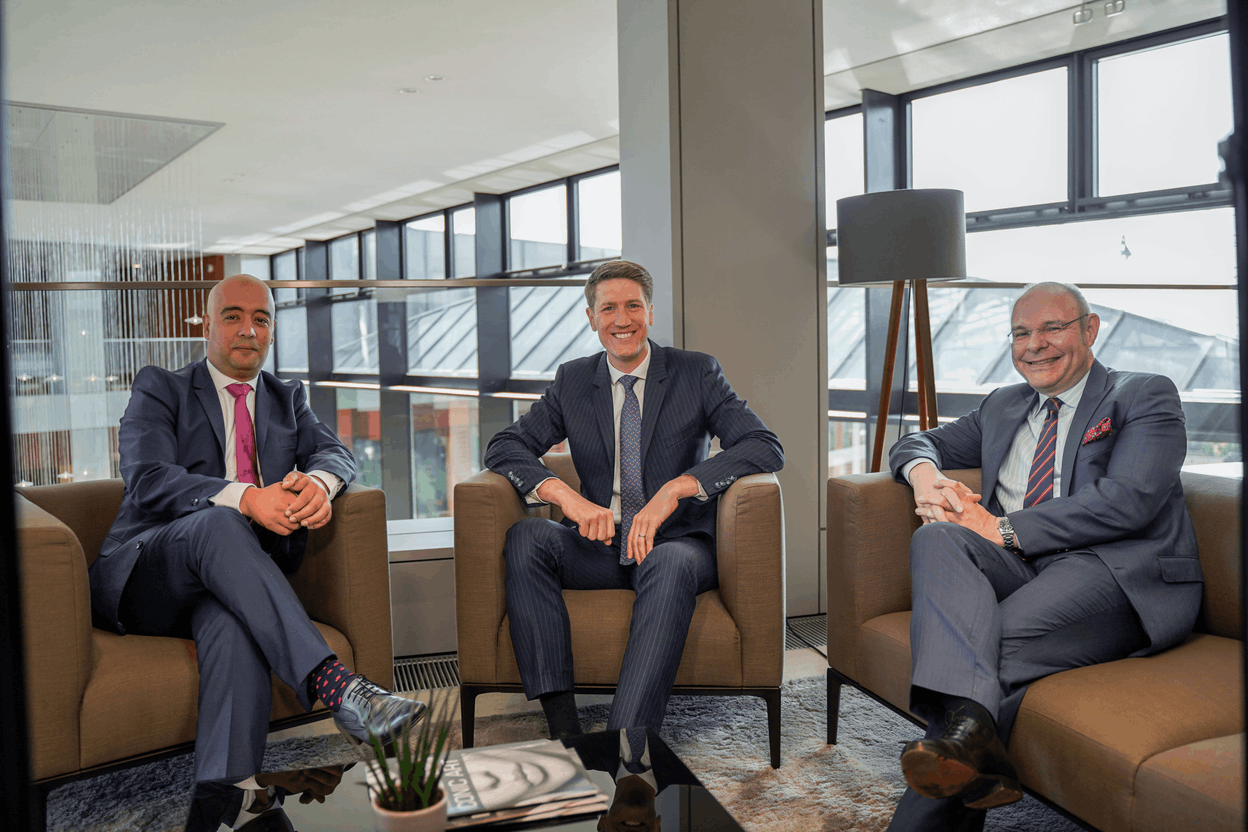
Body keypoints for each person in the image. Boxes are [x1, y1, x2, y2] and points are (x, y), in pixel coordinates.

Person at [91, 274, 425, 829]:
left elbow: (337, 454)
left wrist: (318, 484)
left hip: (229, 584)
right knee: (218, 521)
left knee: (231, 621)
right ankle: (338, 686)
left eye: (261, 318)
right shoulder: (161, 387)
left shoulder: (286, 397)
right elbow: (146, 477)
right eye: (233, 316)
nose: (248, 329)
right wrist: (247, 498)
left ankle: (231, 799)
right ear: (207, 325)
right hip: (148, 574)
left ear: (271, 330)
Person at [885, 282, 1203, 831]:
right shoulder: (1003, 404)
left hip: (1112, 571)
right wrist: (924, 476)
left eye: (1052, 328)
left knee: (984, 647)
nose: (1035, 345)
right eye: (1021, 333)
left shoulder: (1143, 394)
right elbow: (916, 442)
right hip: (1024, 569)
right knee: (936, 537)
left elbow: (1129, 500)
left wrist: (1000, 527)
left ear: (1090, 329)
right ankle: (978, 763)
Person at [484, 259, 783, 737]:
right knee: (527, 536)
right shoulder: (573, 380)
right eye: (608, 309)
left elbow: (763, 445)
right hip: (600, 544)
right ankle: (565, 733)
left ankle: (628, 743)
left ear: (650, 312)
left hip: (676, 543)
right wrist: (566, 498)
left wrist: (677, 488)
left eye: (633, 306)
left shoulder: (696, 372)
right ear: (591, 318)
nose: (621, 320)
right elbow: (505, 445)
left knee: (670, 563)